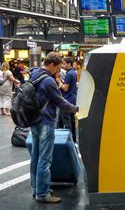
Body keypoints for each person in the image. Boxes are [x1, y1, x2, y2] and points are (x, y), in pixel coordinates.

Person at [29, 52, 79, 203]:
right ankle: (43, 194)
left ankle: (37, 188)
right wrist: (75, 109)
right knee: (45, 159)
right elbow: (60, 101)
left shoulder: (35, 74)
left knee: (36, 156)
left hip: (34, 120)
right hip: (45, 121)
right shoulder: (48, 81)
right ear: (51, 65)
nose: (58, 71)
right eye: (57, 68)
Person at [56, 57, 78, 142]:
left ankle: (67, 140)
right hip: (72, 99)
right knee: (71, 121)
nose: (62, 65)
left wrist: (58, 81)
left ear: (69, 64)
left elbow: (65, 88)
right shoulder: (73, 73)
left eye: (64, 64)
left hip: (67, 99)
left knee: (66, 121)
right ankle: (73, 139)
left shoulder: (69, 74)